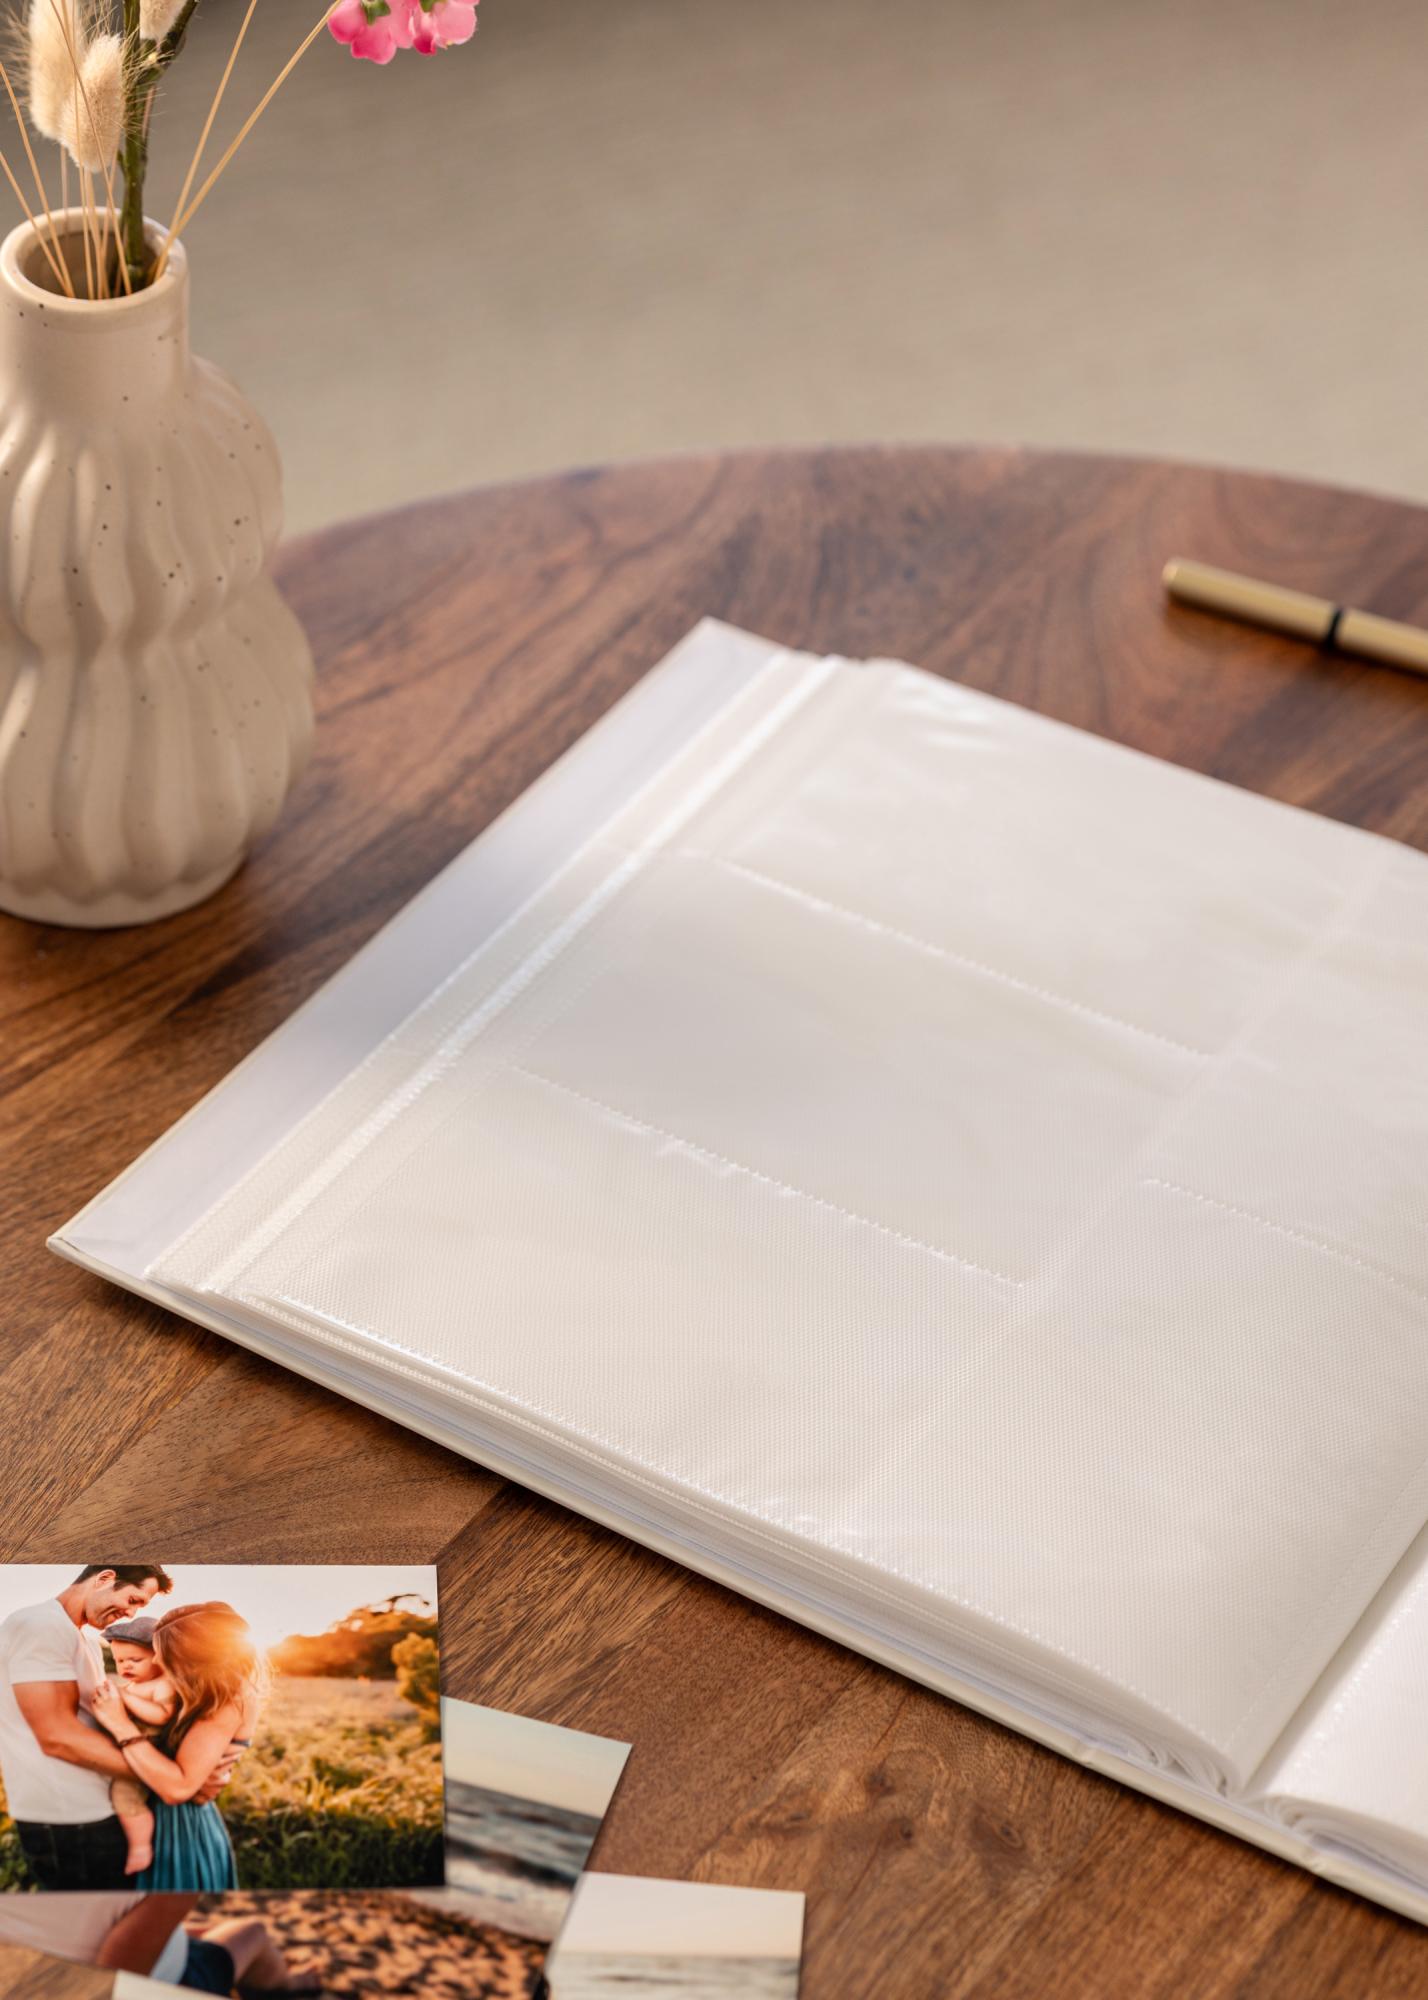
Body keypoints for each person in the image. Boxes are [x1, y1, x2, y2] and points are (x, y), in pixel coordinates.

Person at [0, 1564, 240, 1891]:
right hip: (71, 1817)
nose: (130, 1613)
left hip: (98, 1808)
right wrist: (174, 1780)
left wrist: (187, 1771)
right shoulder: (41, 1625)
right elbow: (58, 1737)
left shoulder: (82, 1640)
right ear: (105, 1578)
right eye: (133, 1600)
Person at [91, 1599, 266, 1892]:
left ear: (195, 1660)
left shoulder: (230, 1698)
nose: (156, 1663)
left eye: (165, 1657)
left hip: (183, 1829)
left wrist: (119, 1724)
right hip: (159, 1815)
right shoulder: (197, 1690)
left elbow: (178, 1788)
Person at [104, 1615, 177, 1875]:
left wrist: (124, 1697)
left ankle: (140, 1847)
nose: (126, 1666)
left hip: (150, 1751)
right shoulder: (134, 1685)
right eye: (120, 1660)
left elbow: (163, 1715)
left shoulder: (162, 1685)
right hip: (130, 1747)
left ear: (159, 1658)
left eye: (135, 1660)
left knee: (125, 1796)